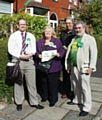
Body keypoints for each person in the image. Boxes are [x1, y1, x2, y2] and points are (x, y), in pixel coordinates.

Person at [8, 18, 44, 111]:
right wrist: (20, 56)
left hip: (29, 61)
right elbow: (10, 49)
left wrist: (30, 54)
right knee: (18, 82)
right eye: (21, 24)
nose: (23, 26)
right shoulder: (13, 36)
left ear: (26, 25)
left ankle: (34, 102)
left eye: (24, 24)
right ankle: (19, 102)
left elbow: (33, 48)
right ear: (17, 25)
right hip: (18, 61)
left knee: (31, 82)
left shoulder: (31, 36)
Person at [65, 21, 97, 116]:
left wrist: (91, 67)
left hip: (84, 67)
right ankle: (77, 100)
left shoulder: (90, 39)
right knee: (75, 84)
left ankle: (87, 107)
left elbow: (94, 54)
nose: (78, 30)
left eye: (79, 28)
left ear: (84, 28)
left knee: (85, 87)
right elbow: (70, 52)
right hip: (74, 66)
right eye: (76, 28)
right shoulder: (74, 39)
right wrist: (68, 65)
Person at [36, 26, 64, 107]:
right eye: (46, 31)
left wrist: (59, 54)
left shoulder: (57, 41)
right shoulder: (40, 41)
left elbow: (61, 51)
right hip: (43, 66)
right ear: (43, 33)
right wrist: (38, 55)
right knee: (43, 82)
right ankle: (45, 97)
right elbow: (36, 52)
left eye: (49, 31)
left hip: (54, 66)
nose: (47, 33)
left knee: (53, 83)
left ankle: (53, 99)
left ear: (52, 33)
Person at [60, 17, 76, 99]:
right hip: (64, 57)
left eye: (69, 23)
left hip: (73, 57)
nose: (68, 24)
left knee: (74, 75)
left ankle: (75, 92)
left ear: (73, 24)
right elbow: (61, 43)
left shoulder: (75, 33)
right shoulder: (63, 33)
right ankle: (66, 91)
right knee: (66, 75)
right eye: (66, 23)